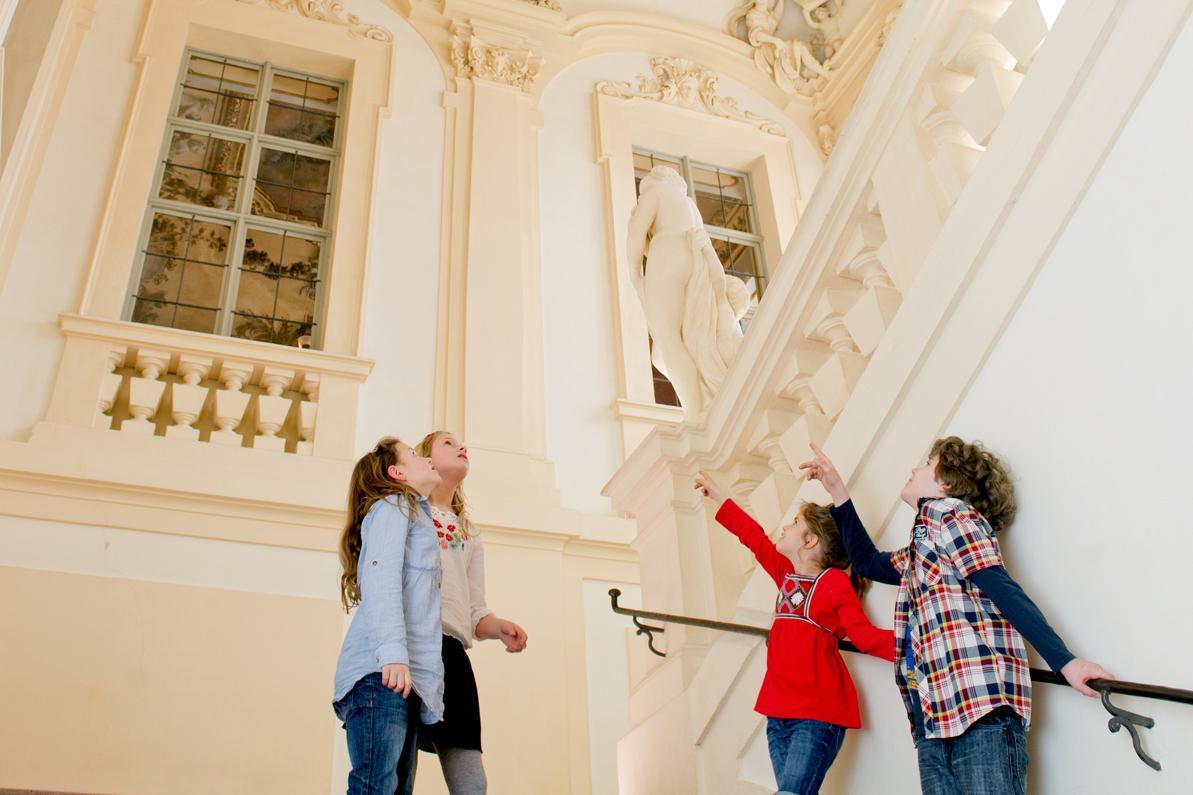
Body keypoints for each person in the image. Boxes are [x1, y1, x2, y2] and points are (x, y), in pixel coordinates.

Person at [800, 439, 1112, 795]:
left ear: (946, 483)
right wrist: (837, 490)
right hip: (935, 722)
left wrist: (1065, 663)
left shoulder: (949, 514)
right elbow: (870, 563)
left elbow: (999, 586)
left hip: (979, 713)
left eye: (927, 463)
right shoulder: (924, 546)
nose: (914, 469)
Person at [694, 471, 894, 795]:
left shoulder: (833, 583)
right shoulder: (785, 574)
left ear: (810, 540)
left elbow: (864, 636)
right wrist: (720, 495)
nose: (785, 527)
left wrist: (921, 643)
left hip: (816, 715)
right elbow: (753, 537)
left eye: (794, 523)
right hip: (777, 715)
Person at [415, 431, 529, 793]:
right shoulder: (407, 513)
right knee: (400, 766)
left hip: (453, 654)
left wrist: (499, 628)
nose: (462, 447)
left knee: (469, 775)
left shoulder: (469, 532)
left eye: (461, 443)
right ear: (427, 460)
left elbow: (474, 612)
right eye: (448, 443)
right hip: (412, 648)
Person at [332, 437, 446, 795]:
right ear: (396, 473)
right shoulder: (394, 506)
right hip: (379, 673)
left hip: (397, 677)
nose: (424, 457)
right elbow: (381, 576)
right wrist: (393, 653)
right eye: (413, 454)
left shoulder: (414, 514)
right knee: (375, 788)